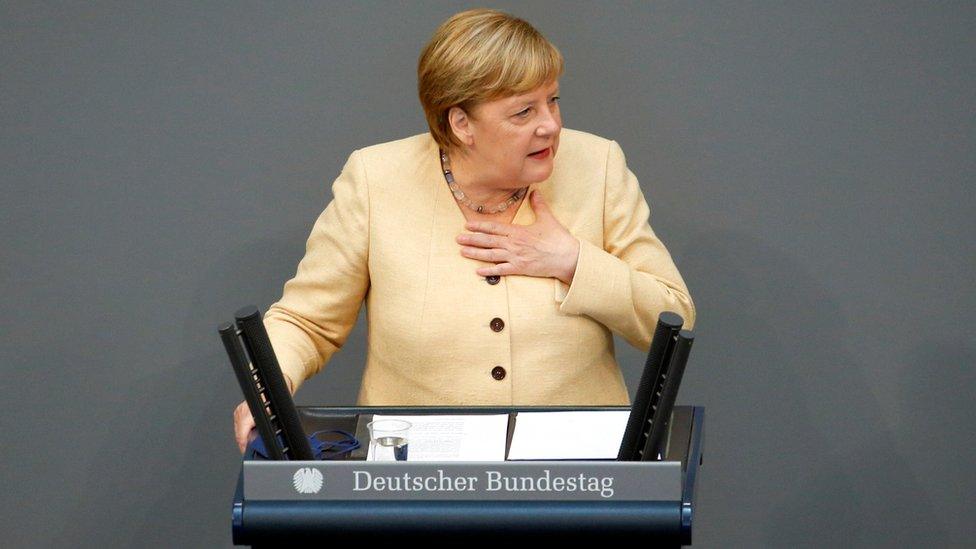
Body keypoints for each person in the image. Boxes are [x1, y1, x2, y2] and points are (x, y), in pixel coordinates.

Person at [234, 8, 696, 452]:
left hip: (575, 471)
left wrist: (574, 262)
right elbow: (307, 320)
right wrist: (269, 388)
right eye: (523, 112)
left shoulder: (598, 166)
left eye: (553, 100)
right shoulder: (376, 179)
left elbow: (673, 316)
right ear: (461, 124)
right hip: (420, 474)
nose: (551, 125)